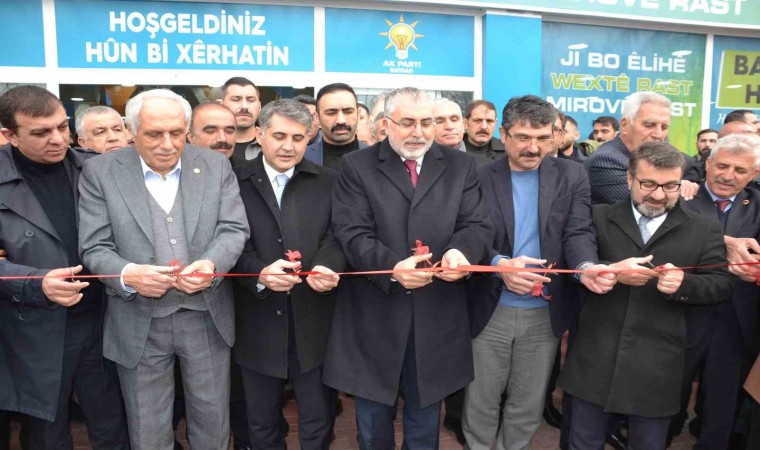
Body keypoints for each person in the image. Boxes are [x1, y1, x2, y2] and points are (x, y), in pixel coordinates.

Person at [78, 88, 250, 449]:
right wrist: (128, 275)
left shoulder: (216, 166)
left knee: (213, 423)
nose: (168, 144)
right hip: (138, 321)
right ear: (131, 131)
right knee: (148, 429)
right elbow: (94, 246)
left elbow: (233, 228)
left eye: (176, 133)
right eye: (154, 134)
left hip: (206, 317)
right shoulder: (100, 171)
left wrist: (211, 264)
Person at [322, 87, 493, 449]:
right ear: (386, 124)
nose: (419, 132)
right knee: (373, 421)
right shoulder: (357, 165)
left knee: (425, 418)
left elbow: (477, 224)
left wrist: (460, 252)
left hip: (437, 310)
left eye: (427, 122)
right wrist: (391, 268)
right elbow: (352, 231)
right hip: (375, 310)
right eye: (408, 123)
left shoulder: (461, 165)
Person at [462, 95, 615, 450]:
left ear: (555, 136)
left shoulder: (572, 174)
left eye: (543, 138)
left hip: (545, 311)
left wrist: (585, 268)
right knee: (480, 399)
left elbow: (578, 231)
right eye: (522, 137)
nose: (533, 148)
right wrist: (500, 266)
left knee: (528, 403)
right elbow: (468, 234)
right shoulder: (478, 176)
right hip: (490, 308)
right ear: (503, 134)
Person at [559, 142, 734, 450]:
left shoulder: (704, 228)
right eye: (648, 184)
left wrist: (684, 284)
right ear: (629, 179)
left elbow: (720, 284)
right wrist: (611, 272)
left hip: (659, 363)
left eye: (670, 186)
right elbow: (572, 266)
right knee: (583, 441)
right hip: (596, 355)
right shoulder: (597, 217)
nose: (658, 195)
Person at [0, 85, 129, 449]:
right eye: (41, 132)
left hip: (102, 320)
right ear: (10, 135)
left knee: (112, 426)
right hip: (32, 329)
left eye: (62, 126)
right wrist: (33, 282)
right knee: (47, 433)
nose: (58, 139)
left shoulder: (94, 167)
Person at [234, 99, 345, 450]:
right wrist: (258, 273)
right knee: (261, 418)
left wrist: (328, 265)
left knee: (318, 413)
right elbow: (226, 241)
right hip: (257, 318)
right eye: (279, 136)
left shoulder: (329, 181)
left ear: (309, 138)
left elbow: (338, 235)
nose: (288, 146)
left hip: (313, 317)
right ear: (259, 135)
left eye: (298, 138)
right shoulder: (234, 181)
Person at [674, 134, 760, 449]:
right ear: (707, 164)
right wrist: (726, 247)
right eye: (722, 166)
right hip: (681, 312)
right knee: (668, 392)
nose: (728, 175)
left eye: (740, 170)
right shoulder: (680, 196)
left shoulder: (757, 203)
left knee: (722, 403)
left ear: (754, 174)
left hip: (736, 320)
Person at [584, 92, 698, 204]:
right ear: (625, 125)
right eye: (649, 125)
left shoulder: (663, 153)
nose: (658, 134)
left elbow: (694, 167)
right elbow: (648, 204)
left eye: (664, 127)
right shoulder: (605, 161)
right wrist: (678, 188)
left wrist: (687, 185)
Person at [304, 83, 365, 171]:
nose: (341, 121)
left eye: (348, 112)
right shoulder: (302, 158)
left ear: (358, 115)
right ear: (317, 117)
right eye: (331, 113)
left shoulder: (376, 157)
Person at [221, 77, 262, 167]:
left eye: (250, 100)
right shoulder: (209, 145)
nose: (244, 107)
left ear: (259, 107)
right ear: (222, 105)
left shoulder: (272, 145)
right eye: (236, 99)